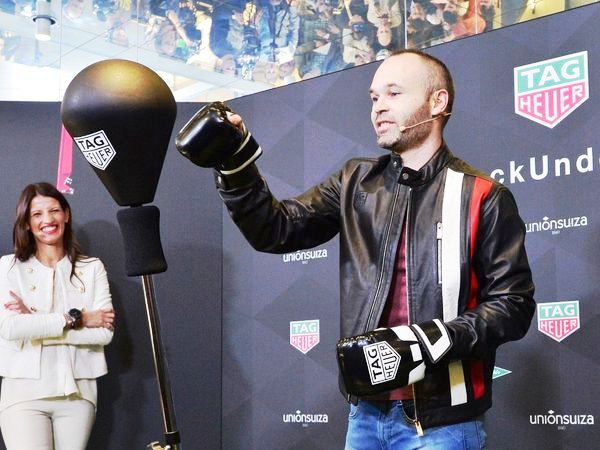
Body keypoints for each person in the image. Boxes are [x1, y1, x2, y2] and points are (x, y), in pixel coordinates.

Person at [176, 49, 535, 449]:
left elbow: (513, 305)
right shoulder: (355, 181)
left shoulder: (483, 195)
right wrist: (236, 163)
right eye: (374, 97)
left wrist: (427, 340)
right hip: (364, 416)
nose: (379, 107)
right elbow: (275, 231)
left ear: (437, 101)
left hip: (443, 423)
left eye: (394, 93)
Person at [0, 182, 115, 450]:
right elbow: (11, 328)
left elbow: (105, 332)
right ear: (27, 223)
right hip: (24, 394)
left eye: (54, 210)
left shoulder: (91, 268)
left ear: (67, 214)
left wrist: (36, 325)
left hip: (78, 394)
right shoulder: (9, 267)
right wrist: (77, 319)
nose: (47, 220)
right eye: (37, 214)